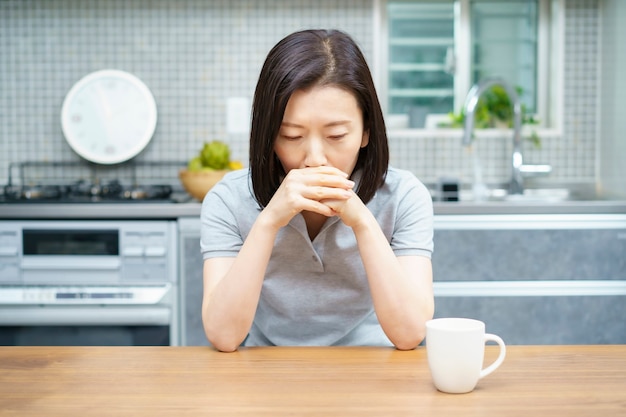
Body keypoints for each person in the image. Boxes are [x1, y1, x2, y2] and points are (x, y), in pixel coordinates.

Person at [200, 29, 434, 352]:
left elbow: (411, 334)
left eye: (336, 135)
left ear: (366, 131)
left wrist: (362, 222)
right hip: (267, 372)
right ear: (268, 136)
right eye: (292, 136)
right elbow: (223, 336)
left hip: (374, 371)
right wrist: (269, 222)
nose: (314, 160)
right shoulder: (227, 201)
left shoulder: (405, 196)